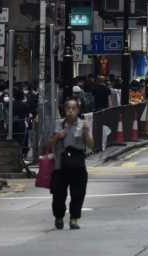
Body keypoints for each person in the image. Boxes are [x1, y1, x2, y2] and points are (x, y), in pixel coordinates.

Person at [51, 98, 93, 230]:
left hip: (77, 162)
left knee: (78, 193)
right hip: (60, 164)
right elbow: (48, 144)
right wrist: (57, 137)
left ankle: (74, 219)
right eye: (68, 108)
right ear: (64, 110)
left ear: (78, 110)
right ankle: (59, 217)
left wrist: (86, 132)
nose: (70, 111)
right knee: (58, 195)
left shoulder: (83, 124)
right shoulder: (58, 124)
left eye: (73, 108)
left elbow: (91, 145)